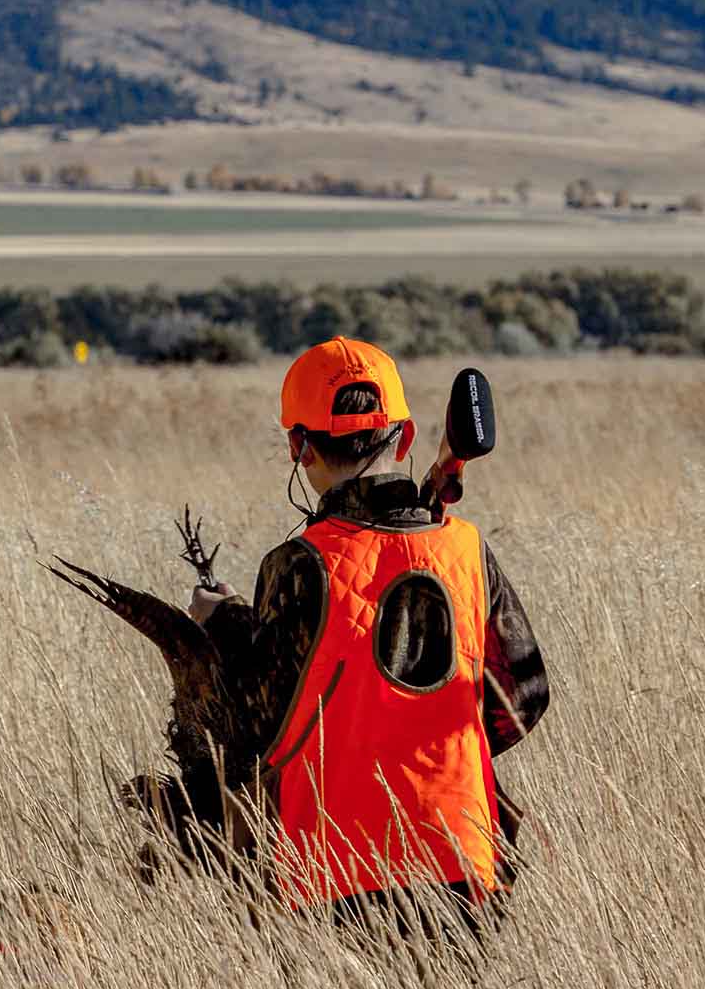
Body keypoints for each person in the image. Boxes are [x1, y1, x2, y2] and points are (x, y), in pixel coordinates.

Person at [189, 336, 549, 935]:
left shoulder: (298, 564)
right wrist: (429, 745)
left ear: (298, 448)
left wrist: (220, 624)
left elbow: (260, 722)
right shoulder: (465, 550)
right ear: (405, 439)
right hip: (460, 865)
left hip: (327, 876)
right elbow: (524, 699)